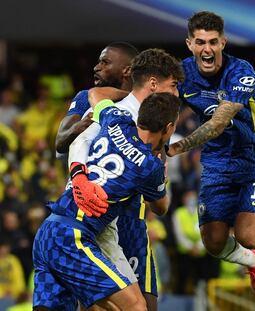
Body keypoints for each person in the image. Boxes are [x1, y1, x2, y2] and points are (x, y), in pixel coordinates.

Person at [166, 11, 255, 300]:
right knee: (214, 244)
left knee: (249, 236)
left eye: (213, 42)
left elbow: (219, 122)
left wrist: (178, 147)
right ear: (189, 44)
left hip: (252, 159)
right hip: (217, 163)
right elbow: (164, 104)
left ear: (223, 43)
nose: (207, 49)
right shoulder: (182, 74)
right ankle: (253, 263)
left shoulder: (241, 71)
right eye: (200, 42)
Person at [55, 47, 184, 310]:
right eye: (172, 85)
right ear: (152, 84)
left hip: (132, 220)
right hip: (96, 211)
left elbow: (158, 169)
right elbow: (69, 143)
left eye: (105, 62)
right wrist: (78, 175)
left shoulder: (159, 116)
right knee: (98, 302)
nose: (97, 68)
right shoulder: (108, 106)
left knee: (145, 304)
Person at [55, 42, 138, 154]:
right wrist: (78, 128)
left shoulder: (143, 104)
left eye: (105, 63)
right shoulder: (85, 97)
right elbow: (60, 142)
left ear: (127, 71)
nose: (96, 68)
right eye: (99, 62)